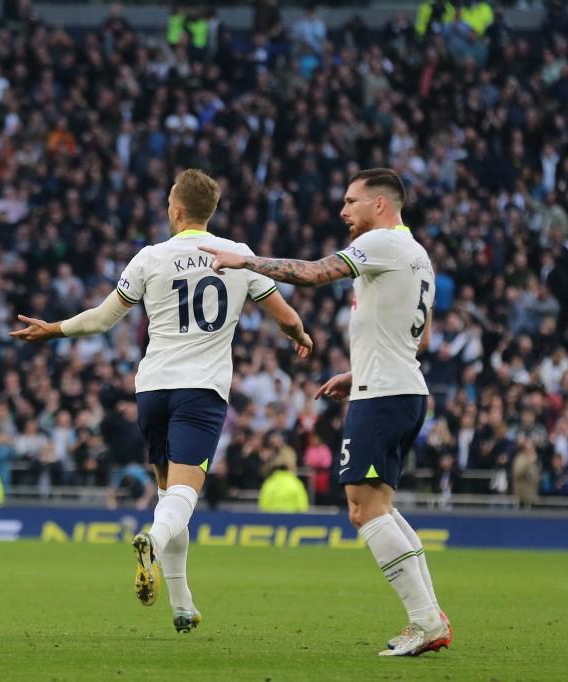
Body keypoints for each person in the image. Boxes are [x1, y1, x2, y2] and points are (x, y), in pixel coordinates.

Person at [10, 169, 312, 633]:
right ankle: (151, 539)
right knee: (182, 500)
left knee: (170, 497)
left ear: (175, 210)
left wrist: (53, 329)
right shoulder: (239, 257)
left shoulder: (150, 257)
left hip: (152, 390)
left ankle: (182, 603)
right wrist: (300, 335)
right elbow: (286, 316)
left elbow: (102, 319)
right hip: (201, 390)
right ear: (208, 213)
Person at [201, 168, 451, 656]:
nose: (342, 211)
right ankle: (429, 614)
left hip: (382, 396)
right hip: (398, 389)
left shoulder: (382, 244)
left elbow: (315, 273)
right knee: (380, 507)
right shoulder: (417, 255)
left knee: (364, 510)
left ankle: (425, 621)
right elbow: (419, 338)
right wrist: (356, 372)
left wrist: (247, 262)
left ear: (380, 205)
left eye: (351, 201)